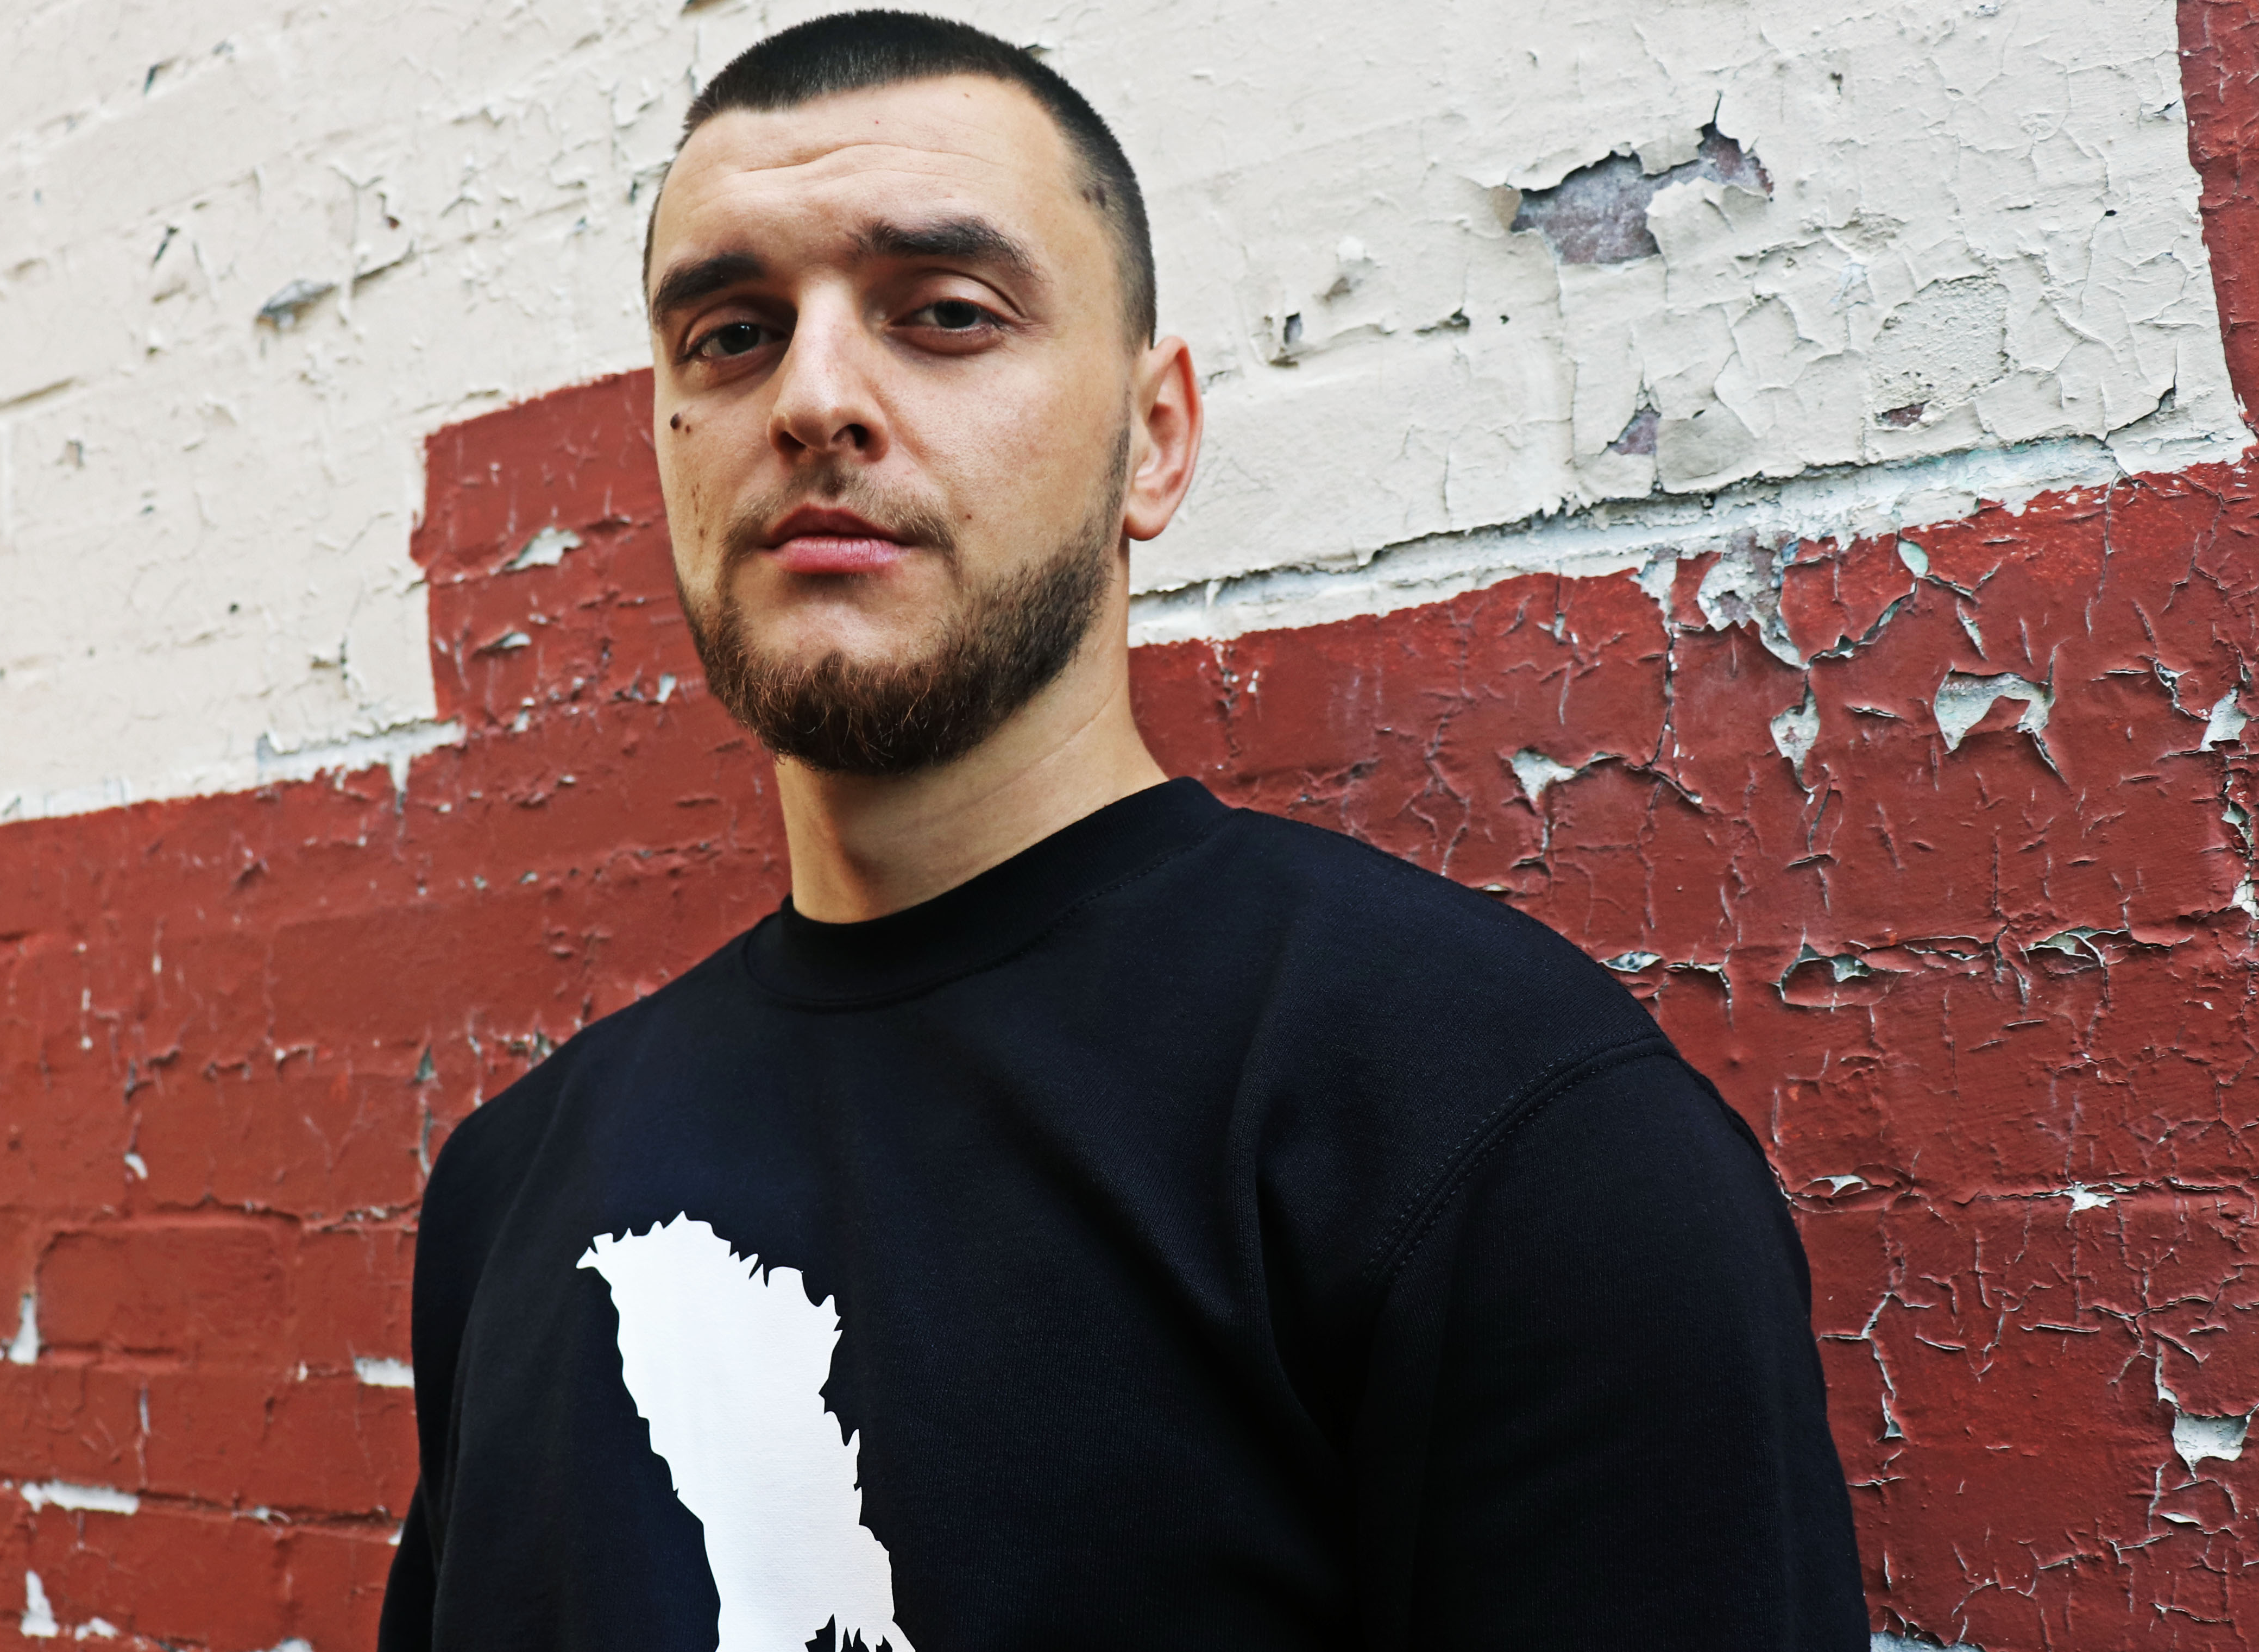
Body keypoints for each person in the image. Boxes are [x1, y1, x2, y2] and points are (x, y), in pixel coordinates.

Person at [379, 12, 1867, 1648]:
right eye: (730, 336)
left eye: (946, 313)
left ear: (1152, 441)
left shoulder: (1499, 1138)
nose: (812, 398)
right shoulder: (510, 1200)